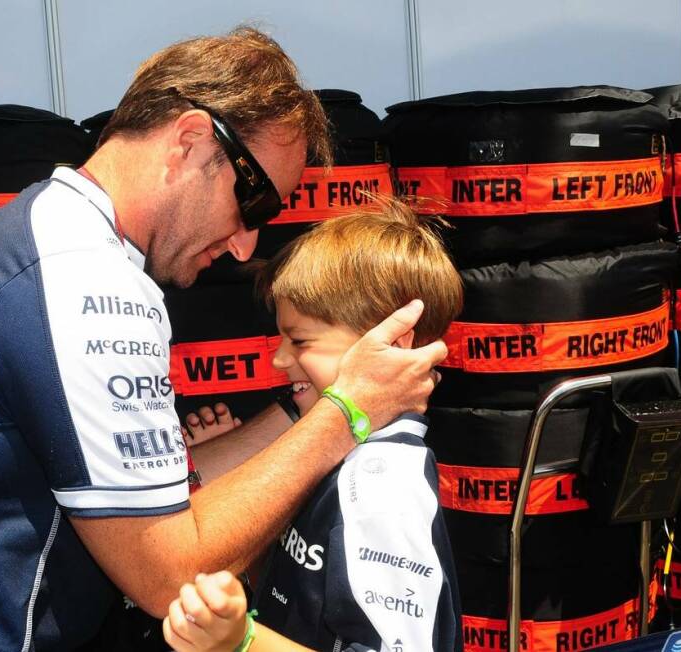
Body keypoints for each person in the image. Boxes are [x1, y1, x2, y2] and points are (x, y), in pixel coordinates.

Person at [0, 28, 447, 651]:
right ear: (191, 141)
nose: (248, 242)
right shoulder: (83, 283)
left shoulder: (50, 235)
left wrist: (302, 405)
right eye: (253, 203)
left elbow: (164, 496)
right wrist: (349, 411)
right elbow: (170, 577)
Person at [163, 204, 465, 652]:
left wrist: (241, 641)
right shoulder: (335, 452)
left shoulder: (382, 488)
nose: (279, 359)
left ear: (394, 344)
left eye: (300, 340)